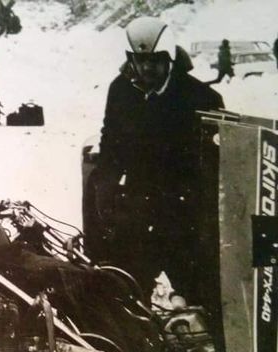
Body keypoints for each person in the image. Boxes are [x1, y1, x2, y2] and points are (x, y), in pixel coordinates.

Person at [84, 17, 224, 306]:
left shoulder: (201, 97)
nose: (146, 68)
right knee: (126, 290)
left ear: (169, 58)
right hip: (139, 206)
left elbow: (212, 169)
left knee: (197, 295)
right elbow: (111, 143)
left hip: (184, 213)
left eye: (155, 61)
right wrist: (105, 187)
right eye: (139, 60)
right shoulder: (121, 91)